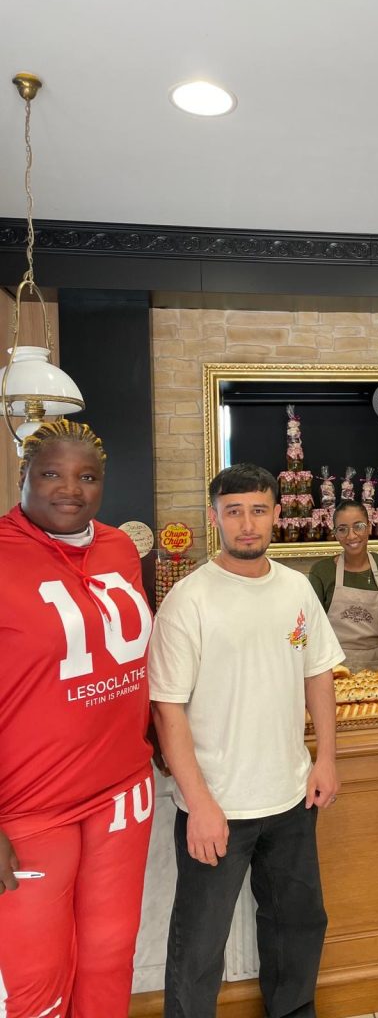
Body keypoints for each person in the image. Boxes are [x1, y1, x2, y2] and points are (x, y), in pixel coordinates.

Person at [149, 463, 344, 1018]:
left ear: (278, 515)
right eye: (233, 512)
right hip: (216, 806)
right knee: (199, 945)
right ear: (215, 518)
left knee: (298, 927)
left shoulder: (297, 588)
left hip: (290, 797)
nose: (248, 524)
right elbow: (168, 710)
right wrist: (202, 804)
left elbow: (318, 674)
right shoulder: (189, 600)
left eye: (258, 510)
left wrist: (325, 758)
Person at [0, 419, 154, 1017]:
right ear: (24, 479)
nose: (71, 489)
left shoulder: (118, 547)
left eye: (87, 476)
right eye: (51, 474)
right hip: (29, 807)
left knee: (110, 959)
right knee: (34, 980)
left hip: (120, 792)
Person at [308, 499, 378, 672]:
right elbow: (312, 629)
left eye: (359, 526)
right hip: (334, 671)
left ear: (369, 527)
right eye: (342, 529)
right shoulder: (321, 571)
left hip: (377, 672)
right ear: (335, 533)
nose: (351, 536)